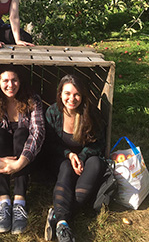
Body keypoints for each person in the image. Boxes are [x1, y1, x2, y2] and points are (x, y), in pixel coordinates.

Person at [0, 66, 45, 235]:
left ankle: (19, 203)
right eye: (5, 81)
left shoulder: (32, 100)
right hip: (2, 155)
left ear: (20, 81)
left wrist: (20, 162)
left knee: (23, 133)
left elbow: (38, 132)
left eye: (14, 80)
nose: (10, 85)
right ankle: (4, 202)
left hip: (26, 158)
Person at [44, 74, 106, 242]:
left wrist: (81, 157)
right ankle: (63, 221)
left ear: (83, 95)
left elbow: (98, 143)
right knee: (65, 166)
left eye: (76, 94)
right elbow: (48, 144)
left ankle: (59, 217)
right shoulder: (52, 112)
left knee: (97, 164)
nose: (72, 98)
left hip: (84, 159)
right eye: (67, 93)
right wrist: (70, 155)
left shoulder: (91, 113)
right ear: (60, 94)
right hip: (60, 159)